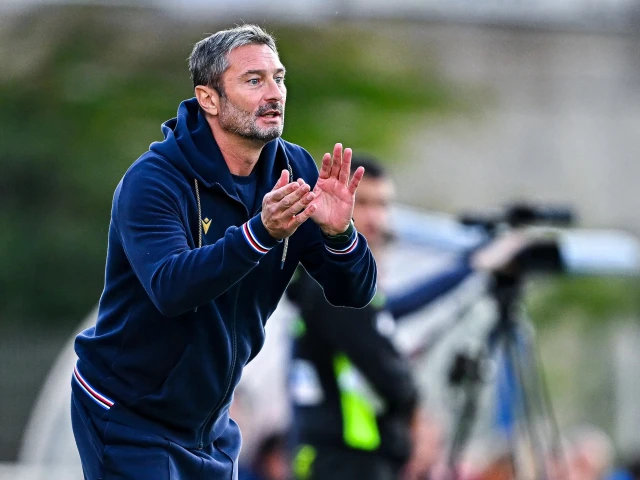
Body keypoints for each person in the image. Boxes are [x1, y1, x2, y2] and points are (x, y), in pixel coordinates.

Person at [70, 25, 376, 480]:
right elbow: (171, 288)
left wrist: (340, 234)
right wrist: (260, 233)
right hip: (129, 414)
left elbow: (353, 292)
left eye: (278, 78)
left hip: (210, 427)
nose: (274, 94)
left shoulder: (295, 169)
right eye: (254, 81)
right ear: (209, 99)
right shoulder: (153, 181)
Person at [287, 156, 530, 480]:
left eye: (383, 205)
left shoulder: (342, 286)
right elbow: (391, 375)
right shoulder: (332, 283)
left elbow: (395, 307)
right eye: (362, 202)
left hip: (344, 458)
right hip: (345, 461)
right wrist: (415, 412)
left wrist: (472, 264)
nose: (375, 217)